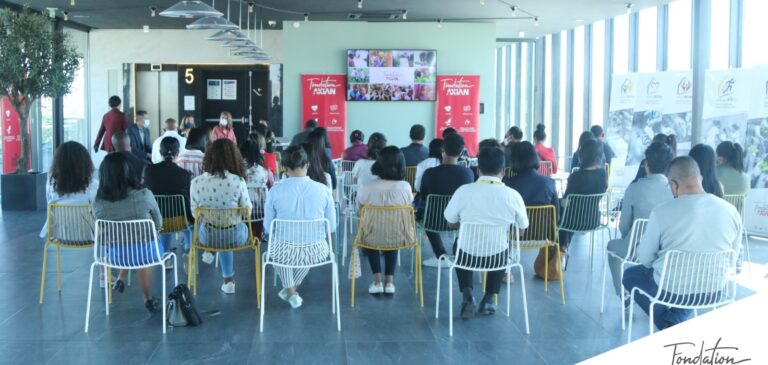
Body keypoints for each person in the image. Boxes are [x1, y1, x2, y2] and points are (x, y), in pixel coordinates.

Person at [623, 156, 741, 330]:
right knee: (691, 283)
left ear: (673, 185)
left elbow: (645, 258)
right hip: (714, 291)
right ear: (700, 178)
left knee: (630, 275)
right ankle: (675, 318)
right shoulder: (731, 211)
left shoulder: (662, 212)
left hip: (671, 290)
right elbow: (732, 258)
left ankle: (669, 324)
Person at [444, 146, 529, 318]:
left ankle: (467, 295)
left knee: (459, 245)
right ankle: (489, 298)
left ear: (478, 170)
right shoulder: (512, 195)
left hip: (466, 256)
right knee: (502, 249)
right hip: (497, 258)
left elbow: (450, 223)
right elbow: (521, 230)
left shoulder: (463, 191)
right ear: (503, 171)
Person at [263, 146, 336, 308]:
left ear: (284, 168)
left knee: (278, 251)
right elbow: (331, 227)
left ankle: (290, 291)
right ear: (307, 165)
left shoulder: (275, 191)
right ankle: (291, 291)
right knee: (307, 248)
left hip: (283, 251)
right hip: (316, 252)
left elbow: (268, 227)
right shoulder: (324, 190)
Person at [93, 153, 163, 313]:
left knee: (127, 241)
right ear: (128, 172)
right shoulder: (144, 194)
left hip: (115, 257)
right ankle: (148, 298)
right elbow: (158, 223)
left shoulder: (98, 202)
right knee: (142, 251)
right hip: (146, 253)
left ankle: (121, 278)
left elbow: (101, 232)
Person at [606, 142, 674, 296]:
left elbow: (623, 227)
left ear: (646, 164)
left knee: (611, 246)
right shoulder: (674, 190)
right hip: (666, 251)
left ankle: (622, 294)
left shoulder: (635, 188)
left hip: (635, 250)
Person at [190, 139, 252, 294]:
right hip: (235, 237)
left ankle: (211, 251)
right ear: (233, 157)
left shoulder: (196, 182)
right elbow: (247, 212)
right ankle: (228, 280)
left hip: (207, 238)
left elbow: (194, 214)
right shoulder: (238, 181)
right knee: (230, 229)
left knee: (215, 230)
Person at [40, 142, 101, 284]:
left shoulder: (51, 184)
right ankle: (104, 274)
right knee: (106, 231)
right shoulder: (92, 185)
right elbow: (98, 207)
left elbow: (49, 202)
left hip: (59, 234)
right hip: (89, 236)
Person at [357, 146, 414, 295]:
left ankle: (377, 281)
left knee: (372, 235)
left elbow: (360, 211)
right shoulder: (405, 187)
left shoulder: (367, 187)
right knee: (392, 230)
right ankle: (390, 283)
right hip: (399, 237)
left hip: (371, 238)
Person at [418, 134, 474, 267]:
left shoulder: (429, 173)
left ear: (442, 150)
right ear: (461, 152)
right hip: (459, 221)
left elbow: (423, 196)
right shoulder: (468, 174)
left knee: (426, 216)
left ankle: (440, 256)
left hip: (433, 221)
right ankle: (458, 252)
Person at [144, 137, 193, 268]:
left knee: (163, 216)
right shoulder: (185, 174)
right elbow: (187, 201)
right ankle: (189, 251)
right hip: (179, 221)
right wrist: (191, 219)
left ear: (160, 152)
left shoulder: (149, 171)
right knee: (190, 224)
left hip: (156, 222)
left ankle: (166, 256)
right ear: (178, 154)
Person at [559, 139, 608, 255]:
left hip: (573, 222)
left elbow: (566, 202)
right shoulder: (602, 174)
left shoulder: (576, 176)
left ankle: (562, 248)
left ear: (581, 156)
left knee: (559, 209)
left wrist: (558, 201)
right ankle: (563, 247)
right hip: (593, 220)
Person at [504, 141, 560, 212]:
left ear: (514, 160)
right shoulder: (550, 182)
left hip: (518, 223)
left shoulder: (509, 184)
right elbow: (557, 216)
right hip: (544, 223)